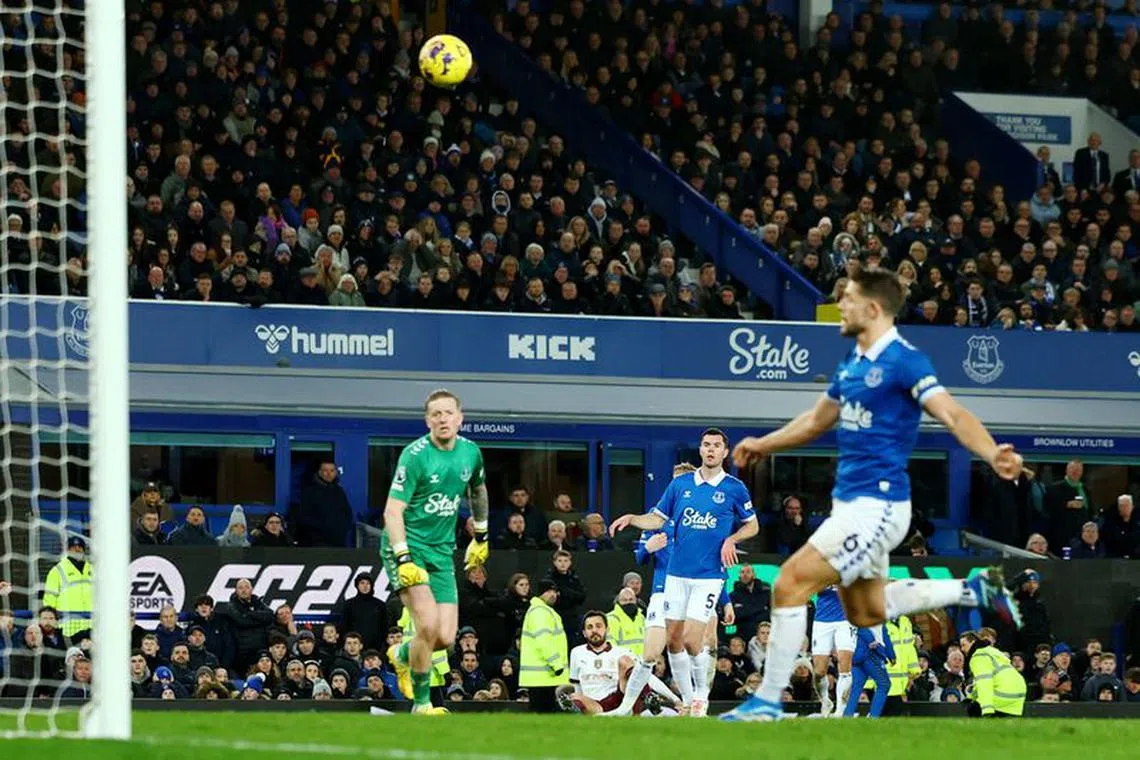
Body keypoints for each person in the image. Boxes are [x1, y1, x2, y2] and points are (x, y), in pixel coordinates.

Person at [723, 269, 1023, 722]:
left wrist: (991, 451)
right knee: (866, 611)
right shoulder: (853, 362)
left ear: (873, 308)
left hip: (878, 506)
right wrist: (764, 444)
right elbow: (815, 421)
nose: (840, 307)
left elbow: (953, 414)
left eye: (848, 299)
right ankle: (975, 587)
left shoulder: (905, 361)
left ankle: (767, 701)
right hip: (853, 505)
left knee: (788, 582)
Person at [610, 428, 759, 717]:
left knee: (692, 640)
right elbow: (657, 519)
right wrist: (632, 518)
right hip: (676, 575)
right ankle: (688, 701)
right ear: (700, 449)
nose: (711, 449)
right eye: (706, 445)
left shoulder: (734, 488)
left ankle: (701, 695)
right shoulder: (680, 486)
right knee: (674, 639)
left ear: (725, 452)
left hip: (708, 576)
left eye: (716, 445)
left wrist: (732, 539)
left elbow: (752, 525)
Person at [382, 389, 488, 715]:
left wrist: (481, 535)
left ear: (460, 418)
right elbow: (392, 511)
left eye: (448, 413)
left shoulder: (470, 452)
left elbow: (478, 491)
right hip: (408, 546)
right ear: (427, 420)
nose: (443, 419)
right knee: (426, 626)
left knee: (444, 638)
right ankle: (422, 704)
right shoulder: (415, 455)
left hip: (441, 552)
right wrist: (403, 557)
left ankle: (402, 655)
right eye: (436, 414)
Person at [559, 610, 675, 715]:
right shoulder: (577, 653)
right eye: (590, 627)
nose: (594, 630)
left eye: (598, 626)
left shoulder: (622, 651)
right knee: (573, 697)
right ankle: (575, 710)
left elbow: (646, 676)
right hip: (594, 704)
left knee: (626, 661)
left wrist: (674, 699)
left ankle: (648, 697)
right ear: (584, 633)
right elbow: (576, 683)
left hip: (619, 699)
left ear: (607, 629)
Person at [519, 579, 569, 713]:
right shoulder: (540, 612)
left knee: (542, 716)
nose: (553, 595)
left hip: (544, 676)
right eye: (548, 591)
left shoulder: (544, 611)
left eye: (555, 591)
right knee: (543, 714)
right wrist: (557, 664)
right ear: (540, 593)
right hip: (544, 675)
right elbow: (544, 640)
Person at [812, 585, 855, 717]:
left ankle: (840, 710)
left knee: (844, 665)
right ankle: (825, 701)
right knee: (819, 672)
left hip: (846, 620)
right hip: (822, 621)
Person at [963, 630, 1026, 717]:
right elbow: (979, 683)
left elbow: (984, 682)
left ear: (973, 642)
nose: (962, 649)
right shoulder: (991, 651)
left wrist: (987, 709)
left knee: (973, 709)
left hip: (1003, 694)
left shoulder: (979, 656)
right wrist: (971, 697)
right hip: (1018, 694)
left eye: (964, 645)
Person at [292, 460, 354, 547]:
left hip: (338, 541)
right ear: (319, 472)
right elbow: (303, 516)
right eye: (325, 470)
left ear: (336, 473)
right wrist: (322, 527)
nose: (329, 473)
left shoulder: (339, 491)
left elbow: (347, 513)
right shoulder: (310, 492)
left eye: (332, 470)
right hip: (317, 542)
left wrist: (342, 528)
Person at [42, 536, 93, 638]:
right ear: (68, 550)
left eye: (80, 547)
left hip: (91, 628)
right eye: (73, 547)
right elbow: (49, 600)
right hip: (67, 629)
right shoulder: (57, 571)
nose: (77, 549)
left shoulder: (93, 570)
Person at [843, 624, 895, 718]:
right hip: (871, 652)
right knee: (884, 684)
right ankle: (873, 718)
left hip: (857, 652)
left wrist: (891, 655)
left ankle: (847, 716)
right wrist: (871, 640)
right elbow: (883, 634)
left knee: (856, 687)